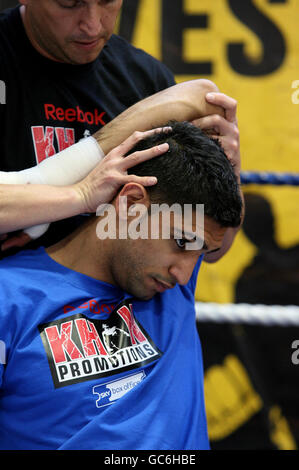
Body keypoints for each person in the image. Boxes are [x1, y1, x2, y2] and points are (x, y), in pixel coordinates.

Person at [0, 121, 243, 450]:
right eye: (183, 241)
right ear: (130, 204)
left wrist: (230, 154)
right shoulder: (9, 295)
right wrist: (79, 192)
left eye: (201, 252)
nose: (185, 275)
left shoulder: (172, 278)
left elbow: (203, 96)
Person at [0, 1, 241, 253]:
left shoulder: (147, 79)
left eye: (107, 0)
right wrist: (79, 196)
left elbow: (213, 247)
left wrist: (230, 169)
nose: (92, 25)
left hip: (114, 290)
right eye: (69, 3)